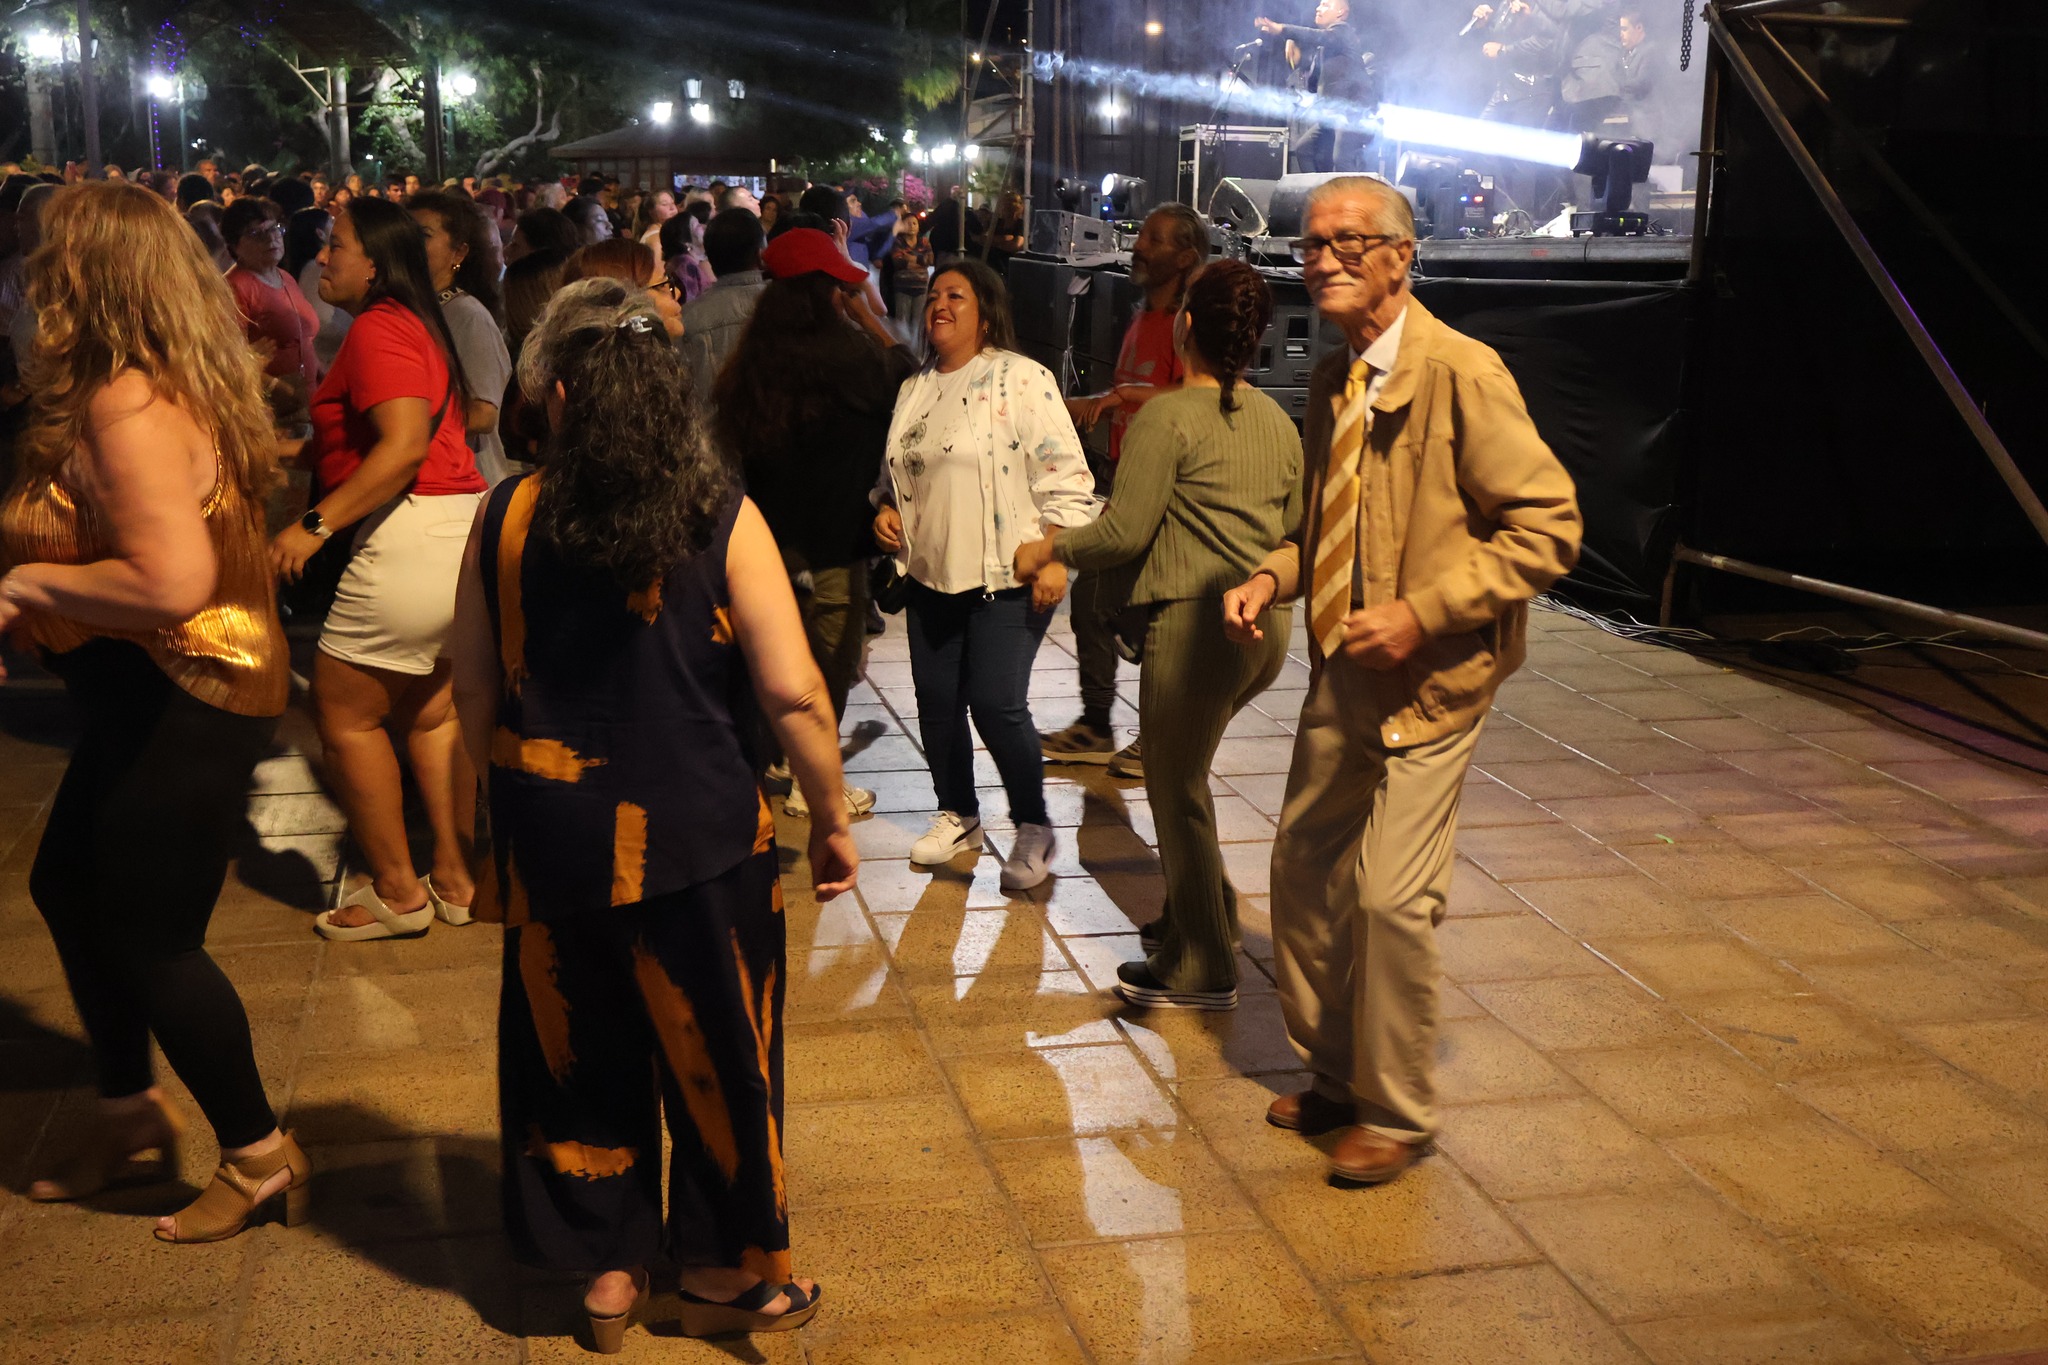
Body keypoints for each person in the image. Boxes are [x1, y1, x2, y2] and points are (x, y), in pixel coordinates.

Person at [451, 277, 849, 1350]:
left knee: (574, 1049)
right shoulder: (718, 509)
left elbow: (473, 688)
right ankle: (724, 1274)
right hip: (696, 836)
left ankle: (608, 1267)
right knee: (716, 1049)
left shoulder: (506, 513)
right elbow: (794, 690)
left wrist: (472, 832)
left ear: (561, 393)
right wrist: (834, 817)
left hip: (552, 833)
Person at [1221, 176, 1580, 1184]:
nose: (1321, 259)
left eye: (1345, 242)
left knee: (1384, 900)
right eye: (1308, 245)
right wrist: (1269, 573)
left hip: (1432, 682)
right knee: (1298, 870)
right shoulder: (1337, 380)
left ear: (1398, 256)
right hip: (1344, 669)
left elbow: (1548, 528)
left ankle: (1396, 1109)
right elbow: (1324, 525)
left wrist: (1422, 612)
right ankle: (1335, 1075)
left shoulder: (1463, 373)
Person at [0, 180, 310, 1243]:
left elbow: (172, 582)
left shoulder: (126, 407)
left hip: (192, 686)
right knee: (67, 884)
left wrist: (29, 589)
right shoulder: (142, 385)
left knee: (154, 937)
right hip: (150, 690)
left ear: (77, 277)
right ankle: (129, 1107)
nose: (21, 282)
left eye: (36, 265)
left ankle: (257, 1151)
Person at [1014, 260, 1301, 1012]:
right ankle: (1194, 913)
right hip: (1265, 629)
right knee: (1188, 775)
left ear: (1185, 327)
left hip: (1195, 625)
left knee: (1177, 790)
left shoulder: (1167, 418)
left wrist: (1050, 548)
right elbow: (1294, 531)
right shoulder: (1277, 421)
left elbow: (1123, 531)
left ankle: (1202, 961)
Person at [275, 195, 488, 942]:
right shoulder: (413, 324)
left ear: (376, 263)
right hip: (456, 531)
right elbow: (374, 442)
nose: (322, 257)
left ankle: (397, 891)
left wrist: (313, 525)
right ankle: (457, 880)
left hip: (413, 532)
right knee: (432, 712)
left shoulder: (379, 328)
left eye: (335, 245)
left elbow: (399, 449)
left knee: (342, 710)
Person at [871, 260, 1094, 891]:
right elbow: (897, 477)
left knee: (996, 704)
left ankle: (1033, 824)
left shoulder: (1020, 379)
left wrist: (1054, 552)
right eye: (935, 294)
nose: (939, 304)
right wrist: (886, 510)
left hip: (1006, 575)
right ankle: (959, 813)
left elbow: (1072, 483)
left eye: (955, 296)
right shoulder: (915, 387)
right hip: (930, 576)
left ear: (986, 313)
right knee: (938, 705)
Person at [713, 228, 912, 818]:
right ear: (827, 291)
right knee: (830, 666)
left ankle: (773, 762)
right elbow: (906, 377)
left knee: (772, 662)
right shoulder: (854, 357)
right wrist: (867, 316)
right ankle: (811, 781)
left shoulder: (750, 365)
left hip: (765, 548)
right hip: (836, 545)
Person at [1043, 203, 1207, 779]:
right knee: (1093, 603)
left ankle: (1160, 736)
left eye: (1155, 240)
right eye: (1143, 236)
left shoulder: (1191, 321)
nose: (1139, 247)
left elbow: (1200, 399)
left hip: (1170, 486)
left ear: (1185, 256)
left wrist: (1117, 400)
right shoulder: (1145, 315)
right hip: (1127, 477)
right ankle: (1096, 725)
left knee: (1145, 615)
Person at [410, 189, 515, 485]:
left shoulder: (467, 315)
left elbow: (482, 414)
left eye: (424, 234)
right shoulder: (422, 308)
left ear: (459, 253)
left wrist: (400, 424)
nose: (409, 244)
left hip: (468, 486)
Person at [1255, 0, 1374, 172]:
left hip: (1353, 111)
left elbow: (1316, 35)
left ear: (1341, 12)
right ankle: (1321, 194)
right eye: (1319, 4)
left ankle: (1352, 198)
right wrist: (1299, 63)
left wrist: (1283, 29)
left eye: (1325, 5)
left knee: (1342, 160)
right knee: (1305, 150)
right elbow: (1314, 85)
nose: (1318, 8)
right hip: (1333, 113)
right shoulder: (1325, 48)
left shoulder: (1343, 32)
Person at [222, 197, 320, 395]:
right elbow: (227, 357)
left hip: (305, 399)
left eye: (274, 228)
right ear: (234, 246)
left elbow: (302, 339)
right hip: (274, 405)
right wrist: (280, 389)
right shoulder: (235, 288)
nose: (270, 238)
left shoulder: (284, 277)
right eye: (255, 233)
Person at [682, 207, 768, 407]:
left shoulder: (689, 317)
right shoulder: (788, 304)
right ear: (759, 254)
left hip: (713, 432)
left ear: (710, 259)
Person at [287, 207, 352, 375]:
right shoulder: (316, 269)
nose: (335, 222)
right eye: (331, 220)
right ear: (320, 233)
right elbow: (324, 322)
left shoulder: (306, 268)